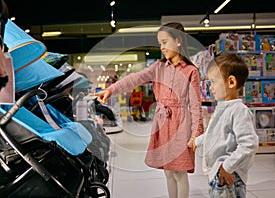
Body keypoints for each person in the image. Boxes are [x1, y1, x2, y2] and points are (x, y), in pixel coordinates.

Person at [93, 22, 204, 198]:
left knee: (179, 171)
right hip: (162, 123)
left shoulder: (191, 71)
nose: (162, 47)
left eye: (165, 42)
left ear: (178, 41)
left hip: (181, 123)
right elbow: (134, 79)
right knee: (168, 171)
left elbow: (196, 104)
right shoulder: (158, 67)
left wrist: (196, 133)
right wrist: (110, 89)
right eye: (160, 43)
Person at [188, 53, 259, 198]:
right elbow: (215, 133)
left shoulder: (239, 111)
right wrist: (198, 141)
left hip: (229, 173)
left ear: (231, 82)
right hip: (219, 170)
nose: (210, 88)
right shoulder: (223, 107)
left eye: (213, 82)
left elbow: (249, 144)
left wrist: (226, 166)